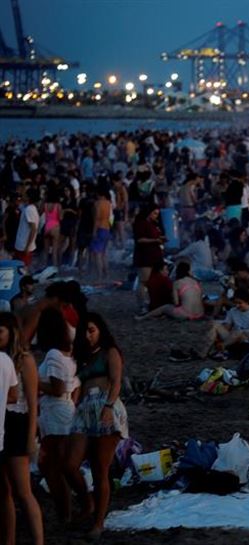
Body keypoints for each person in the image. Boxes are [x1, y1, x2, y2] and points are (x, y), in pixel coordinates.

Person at [67, 313, 128, 539]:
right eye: (84, 331)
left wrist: (109, 407)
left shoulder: (110, 352)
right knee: (70, 464)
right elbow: (78, 387)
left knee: (99, 469)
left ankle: (99, 522)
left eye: (91, 330)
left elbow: (116, 381)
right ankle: (87, 502)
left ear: (100, 330)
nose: (88, 335)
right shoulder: (83, 357)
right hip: (84, 410)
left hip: (105, 406)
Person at [0, 313, 42, 545]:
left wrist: (31, 436)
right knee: (4, 491)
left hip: (18, 423)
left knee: (23, 491)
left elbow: (33, 403)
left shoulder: (24, 359)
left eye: (0, 332)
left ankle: (38, 540)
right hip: (2, 422)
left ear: (11, 332)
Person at [36, 308, 80, 522]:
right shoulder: (69, 351)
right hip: (64, 409)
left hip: (55, 412)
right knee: (56, 465)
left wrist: (33, 382)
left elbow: (58, 387)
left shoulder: (53, 354)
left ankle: (66, 513)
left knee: (51, 466)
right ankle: (70, 511)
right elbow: (73, 386)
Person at [203, 288, 249, 361]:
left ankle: (221, 348)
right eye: (235, 303)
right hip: (233, 337)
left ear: (247, 301)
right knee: (215, 323)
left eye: (240, 303)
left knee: (239, 332)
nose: (237, 305)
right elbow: (227, 328)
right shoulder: (233, 311)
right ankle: (203, 353)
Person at [136, 261, 204, 320]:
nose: (168, 272)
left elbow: (176, 303)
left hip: (186, 314)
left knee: (165, 307)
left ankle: (143, 317)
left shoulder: (177, 283)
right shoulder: (196, 282)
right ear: (188, 272)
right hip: (200, 313)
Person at [132, 205, 165, 313]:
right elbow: (140, 240)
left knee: (157, 280)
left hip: (155, 255)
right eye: (154, 213)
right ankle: (142, 305)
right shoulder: (141, 224)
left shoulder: (154, 224)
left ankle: (154, 302)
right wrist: (155, 240)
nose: (156, 216)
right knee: (143, 281)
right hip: (145, 255)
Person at [90, 186, 113, 281]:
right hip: (107, 228)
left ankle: (99, 275)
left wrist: (94, 231)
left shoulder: (97, 204)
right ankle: (106, 274)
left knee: (97, 254)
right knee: (104, 254)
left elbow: (97, 219)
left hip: (100, 229)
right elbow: (111, 218)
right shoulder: (109, 203)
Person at [13, 188, 40, 268]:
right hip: (21, 244)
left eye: (25, 195)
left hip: (23, 245)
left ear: (29, 197)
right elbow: (18, 204)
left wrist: (27, 247)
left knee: (22, 268)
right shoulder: (27, 207)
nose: (23, 196)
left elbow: (33, 229)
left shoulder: (29, 210)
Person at [41, 184, 63, 269]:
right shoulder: (58, 205)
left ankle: (44, 268)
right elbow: (60, 218)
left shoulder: (45, 204)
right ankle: (54, 270)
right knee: (54, 251)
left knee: (45, 251)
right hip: (55, 227)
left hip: (47, 227)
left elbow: (39, 212)